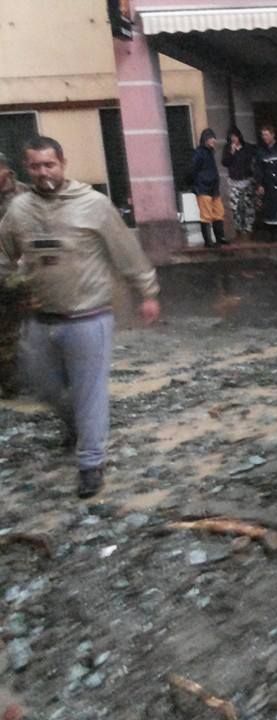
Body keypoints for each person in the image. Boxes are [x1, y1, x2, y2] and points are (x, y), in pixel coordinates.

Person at [0, 136, 161, 498]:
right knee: (43, 385)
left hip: (88, 317)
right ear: (27, 168)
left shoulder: (94, 205)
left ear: (63, 163)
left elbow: (127, 253)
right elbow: (4, 254)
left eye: (49, 164)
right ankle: (75, 427)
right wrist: (11, 284)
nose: (43, 172)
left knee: (90, 393)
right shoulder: (19, 211)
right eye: (36, 166)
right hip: (40, 318)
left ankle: (91, 463)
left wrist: (147, 293)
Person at [0, 152, 29, 397]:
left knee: (31, 329)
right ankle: (10, 386)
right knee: (6, 333)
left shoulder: (26, 196)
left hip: (22, 275)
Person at [191, 128, 227, 247]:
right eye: (211, 138)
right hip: (203, 187)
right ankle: (208, 240)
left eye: (213, 138)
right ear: (205, 139)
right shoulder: (199, 152)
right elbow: (193, 170)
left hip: (213, 188)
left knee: (219, 212)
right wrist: (196, 185)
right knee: (206, 215)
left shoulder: (210, 152)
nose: (213, 140)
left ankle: (220, 237)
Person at [221, 126, 257, 243]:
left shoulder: (248, 148)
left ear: (239, 136)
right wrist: (231, 152)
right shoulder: (227, 148)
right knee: (235, 207)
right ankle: (238, 230)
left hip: (247, 180)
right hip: (234, 181)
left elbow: (253, 159)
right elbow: (225, 162)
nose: (233, 139)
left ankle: (248, 229)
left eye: (235, 136)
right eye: (231, 137)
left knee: (248, 206)